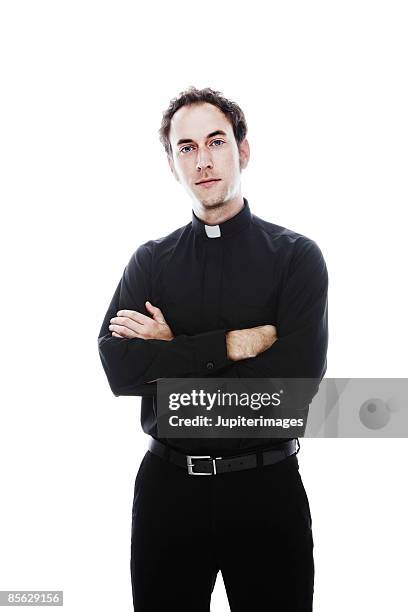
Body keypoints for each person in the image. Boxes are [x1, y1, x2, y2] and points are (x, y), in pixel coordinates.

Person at [97, 86, 329, 612]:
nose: (202, 161)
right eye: (186, 147)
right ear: (172, 163)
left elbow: (289, 394)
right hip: (167, 493)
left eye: (215, 141)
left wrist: (170, 353)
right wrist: (230, 345)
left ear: (242, 151)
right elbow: (118, 369)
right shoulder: (150, 262)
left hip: (266, 490)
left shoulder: (297, 258)